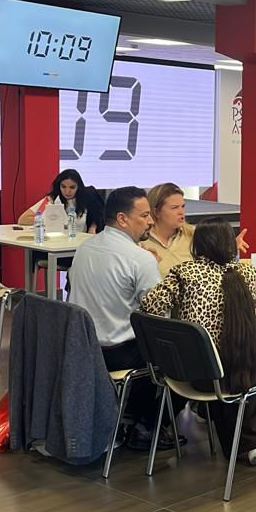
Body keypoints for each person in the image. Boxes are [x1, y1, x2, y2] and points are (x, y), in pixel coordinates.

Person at [140, 218, 256, 466]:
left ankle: (242, 444)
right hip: (235, 375)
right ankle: (252, 443)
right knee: (253, 354)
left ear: (198, 245)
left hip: (190, 373)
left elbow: (150, 306)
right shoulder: (245, 273)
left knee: (231, 361)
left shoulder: (184, 272)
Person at [68, 186, 179, 451]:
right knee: (182, 353)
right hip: (119, 353)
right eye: (144, 215)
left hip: (84, 348)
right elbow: (159, 316)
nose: (150, 221)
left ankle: (129, 416)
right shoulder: (140, 259)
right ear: (122, 219)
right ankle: (147, 425)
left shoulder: (84, 248)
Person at [18, 168, 101, 232]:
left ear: (78, 187)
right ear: (59, 186)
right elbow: (23, 219)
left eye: (72, 187)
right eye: (63, 187)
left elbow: (98, 217)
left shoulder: (88, 197)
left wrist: (93, 228)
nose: (67, 191)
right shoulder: (51, 199)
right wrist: (52, 221)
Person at [140, 183, 193, 276]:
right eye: (174, 207)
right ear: (156, 212)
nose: (181, 212)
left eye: (182, 206)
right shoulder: (141, 242)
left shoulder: (193, 235)